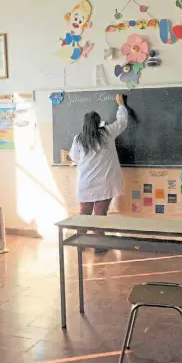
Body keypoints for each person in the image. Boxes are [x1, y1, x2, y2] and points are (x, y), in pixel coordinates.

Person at [69, 94, 128, 252]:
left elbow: (73, 157)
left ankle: (80, 245)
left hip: (86, 184)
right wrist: (121, 105)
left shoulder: (78, 139)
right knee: (100, 215)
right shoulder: (107, 133)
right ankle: (99, 247)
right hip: (104, 184)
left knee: (84, 216)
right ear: (98, 123)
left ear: (84, 124)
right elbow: (122, 122)